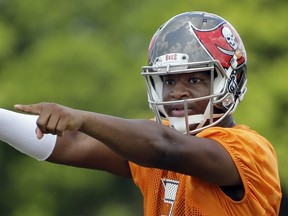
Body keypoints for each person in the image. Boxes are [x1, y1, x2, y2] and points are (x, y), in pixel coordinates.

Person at [0, 11, 282, 215]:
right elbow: (71, 142)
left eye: (194, 80)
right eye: (168, 81)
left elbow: (164, 147)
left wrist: (82, 117)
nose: (176, 93)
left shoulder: (248, 150)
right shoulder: (150, 143)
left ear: (230, 82)